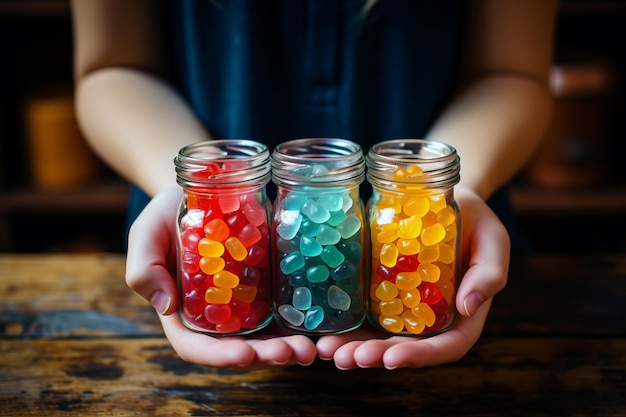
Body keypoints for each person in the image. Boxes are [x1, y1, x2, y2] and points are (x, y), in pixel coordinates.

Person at [70, 0, 558, 370]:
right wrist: (191, 186)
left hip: (490, 281)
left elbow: (511, 69)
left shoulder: (373, 207)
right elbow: (110, 67)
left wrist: (461, 189)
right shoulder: (266, 208)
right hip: (200, 176)